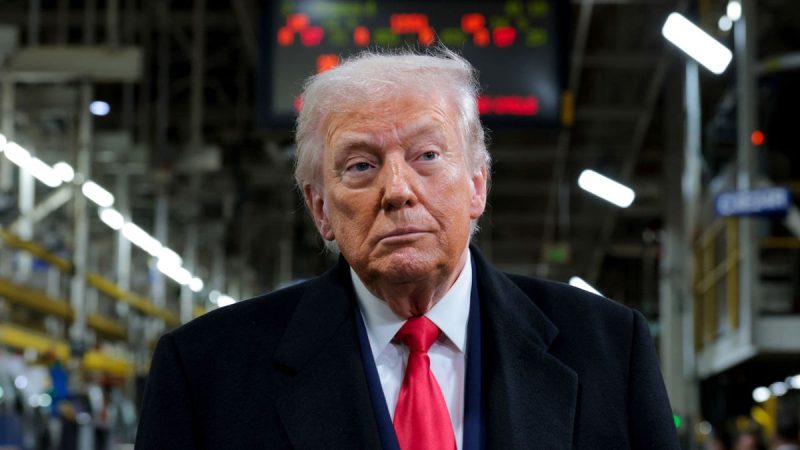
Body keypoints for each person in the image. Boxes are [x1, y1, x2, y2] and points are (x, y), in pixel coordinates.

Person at [135, 48, 680, 449]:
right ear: (320, 208)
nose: (397, 190)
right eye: (360, 165)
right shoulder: (205, 371)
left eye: (427, 156)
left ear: (477, 185)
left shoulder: (610, 349)